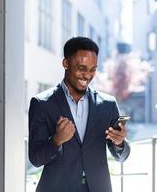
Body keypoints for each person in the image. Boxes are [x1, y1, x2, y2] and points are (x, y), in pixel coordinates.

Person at [28, 37, 130, 192]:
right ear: (65, 64)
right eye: (82, 68)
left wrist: (119, 143)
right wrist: (56, 140)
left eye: (92, 69)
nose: (87, 76)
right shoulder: (42, 104)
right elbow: (35, 158)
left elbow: (121, 156)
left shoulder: (108, 104)